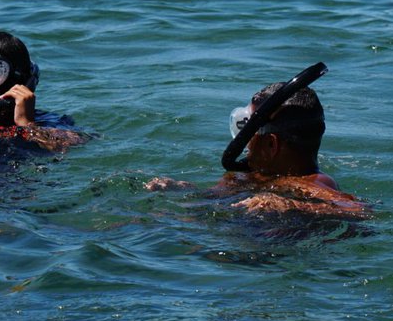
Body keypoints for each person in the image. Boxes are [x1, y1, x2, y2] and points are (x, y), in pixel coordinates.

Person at [147, 65, 368, 218]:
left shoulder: (316, 183)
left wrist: (291, 204)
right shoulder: (249, 176)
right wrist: (184, 190)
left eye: (248, 130)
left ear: (271, 145)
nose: (243, 140)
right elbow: (214, 204)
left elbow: (360, 212)